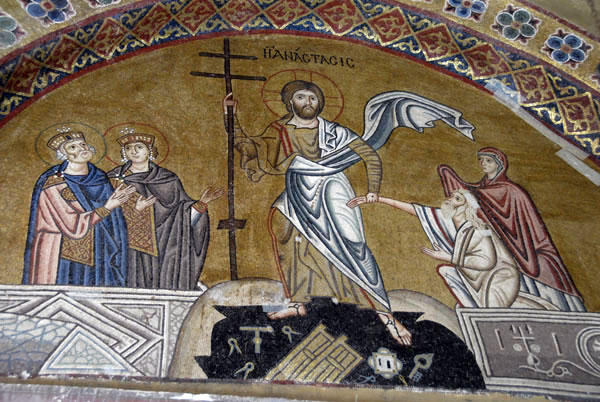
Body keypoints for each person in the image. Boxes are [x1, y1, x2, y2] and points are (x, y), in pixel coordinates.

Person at [349, 190, 557, 309]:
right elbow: (418, 211)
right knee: (447, 272)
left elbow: (487, 261)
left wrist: (448, 257)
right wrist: (380, 199)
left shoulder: (479, 229)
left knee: (454, 275)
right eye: (451, 196)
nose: (449, 199)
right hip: (477, 280)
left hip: (499, 280)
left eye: (457, 198)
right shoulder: (450, 222)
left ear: (466, 206)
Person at [437, 147, 585, 311]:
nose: (483, 163)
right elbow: (474, 199)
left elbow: (478, 199)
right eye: (481, 160)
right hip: (499, 252)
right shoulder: (481, 189)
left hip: (520, 249)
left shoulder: (513, 191)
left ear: (500, 164)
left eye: (488, 160)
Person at [107, 131, 223, 290]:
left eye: (139, 147)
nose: (133, 151)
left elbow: (180, 216)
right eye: (128, 148)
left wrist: (200, 204)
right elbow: (105, 214)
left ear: (150, 151)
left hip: (164, 245)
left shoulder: (168, 179)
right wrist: (136, 210)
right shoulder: (113, 179)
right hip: (128, 246)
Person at [23, 129, 135, 286]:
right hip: (64, 254)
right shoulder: (54, 183)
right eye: (73, 147)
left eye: (83, 144)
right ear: (64, 154)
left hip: (100, 250)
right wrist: (108, 207)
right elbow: (71, 225)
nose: (81, 149)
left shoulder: (101, 178)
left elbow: (114, 222)